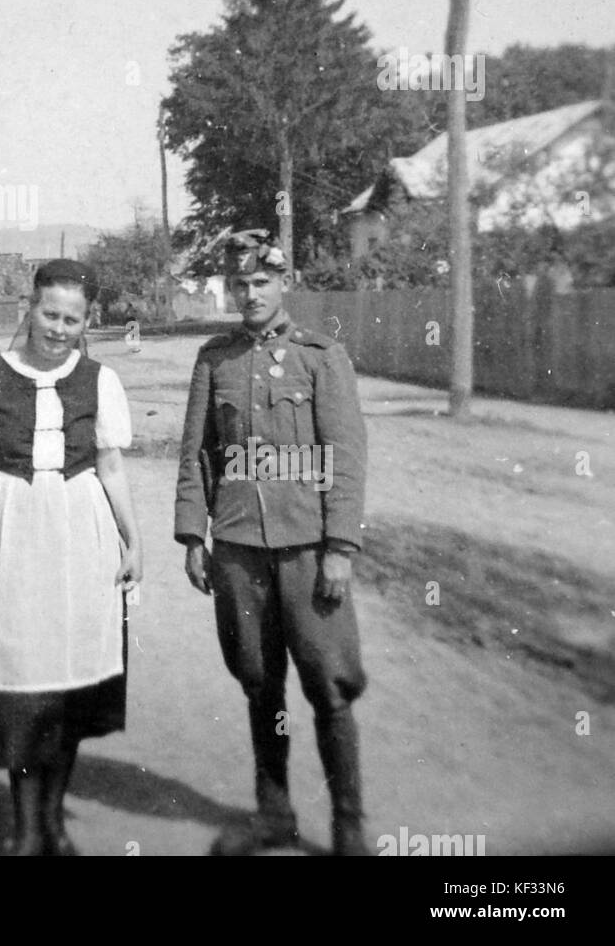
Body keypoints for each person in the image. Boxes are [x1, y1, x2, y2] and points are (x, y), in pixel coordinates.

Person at [175, 229, 370, 856]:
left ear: (283, 283)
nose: (251, 293)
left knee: (329, 685)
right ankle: (274, 815)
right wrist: (192, 535)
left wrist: (340, 546)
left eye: (261, 282)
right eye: (240, 284)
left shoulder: (321, 355)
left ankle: (349, 827)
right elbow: (196, 453)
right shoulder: (215, 358)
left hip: (308, 549)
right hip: (237, 547)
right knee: (259, 681)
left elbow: (344, 457)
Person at [0, 259, 143, 855]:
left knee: (69, 683)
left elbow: (111, 466)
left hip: (82, 536)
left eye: (72, 318)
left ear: (87, 321)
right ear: (27, 310)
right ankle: (26, 826)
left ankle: (54, 822)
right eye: (49, 314)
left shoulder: (100, 380)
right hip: (14, 533)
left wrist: (133, 540)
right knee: (21, 681)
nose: (58, 328)